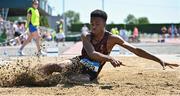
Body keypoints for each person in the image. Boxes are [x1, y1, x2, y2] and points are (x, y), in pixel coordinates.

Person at [38, 9, 179, 82]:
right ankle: (32, 75)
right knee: (56, 66)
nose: (93, 26)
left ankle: (62, 78)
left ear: (104, 24)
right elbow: (92, 54)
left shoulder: (112, 38)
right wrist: (110, 58)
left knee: (72, 79)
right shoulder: (86, 35)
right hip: (79, 61)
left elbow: (135, 50)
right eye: (91, 23)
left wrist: (158, 59)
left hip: (92, 70)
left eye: (97, 24)